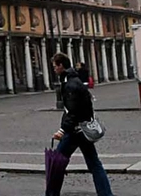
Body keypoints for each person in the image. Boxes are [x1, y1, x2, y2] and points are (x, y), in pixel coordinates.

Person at [49, 52, 114, 196]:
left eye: (55, 66)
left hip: (74, 131)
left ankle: (51, 194)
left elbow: (72, 111)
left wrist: (62, 130)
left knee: (57, 164)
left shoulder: (70, 85)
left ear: (61, 66)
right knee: (94, 164)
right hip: (82, 130)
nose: (54, 69)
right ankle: (106, 194)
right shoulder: (74, 80)